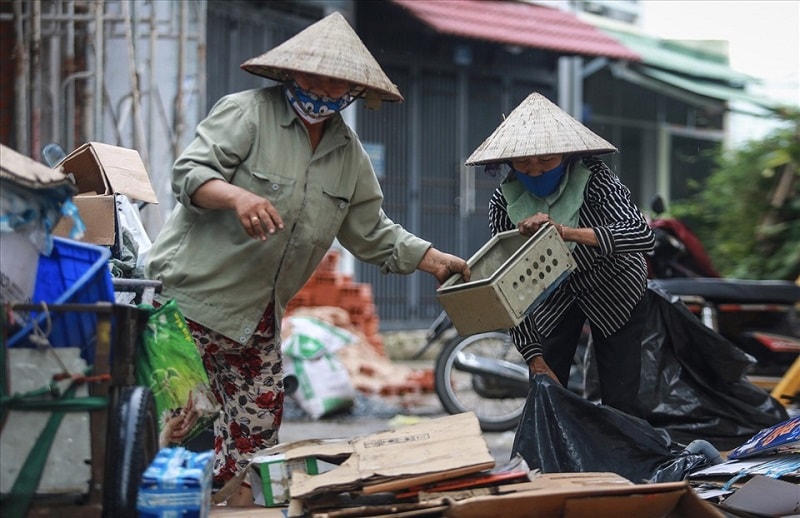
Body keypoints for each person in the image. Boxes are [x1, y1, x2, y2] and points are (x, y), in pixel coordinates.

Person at [144, 12, 470, 506]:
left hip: (257, 317)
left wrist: (433, 259)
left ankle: (236, 506)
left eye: (338, 82)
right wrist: (237, 198)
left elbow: (370, 232)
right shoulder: (246, 113)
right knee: (178, 424)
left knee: (257, 430)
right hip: (189, 303)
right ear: (292, 72)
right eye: (316, 75)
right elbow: (190, 174)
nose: (325, 88)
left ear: (354, 90)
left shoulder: (347, 151)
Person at [464, 92, 655, 419]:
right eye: (524, 163)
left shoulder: (596, 179)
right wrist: (533, 358)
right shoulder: (503, 202)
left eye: (546, 161)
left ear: (566, 156)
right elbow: (508, 290)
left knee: (620, 393)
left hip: (615, 284)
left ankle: (627, 459)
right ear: (509, 164)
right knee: (546, 390)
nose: (535, 172)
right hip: (553, 291)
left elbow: (642, 234)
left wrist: (565, 233)